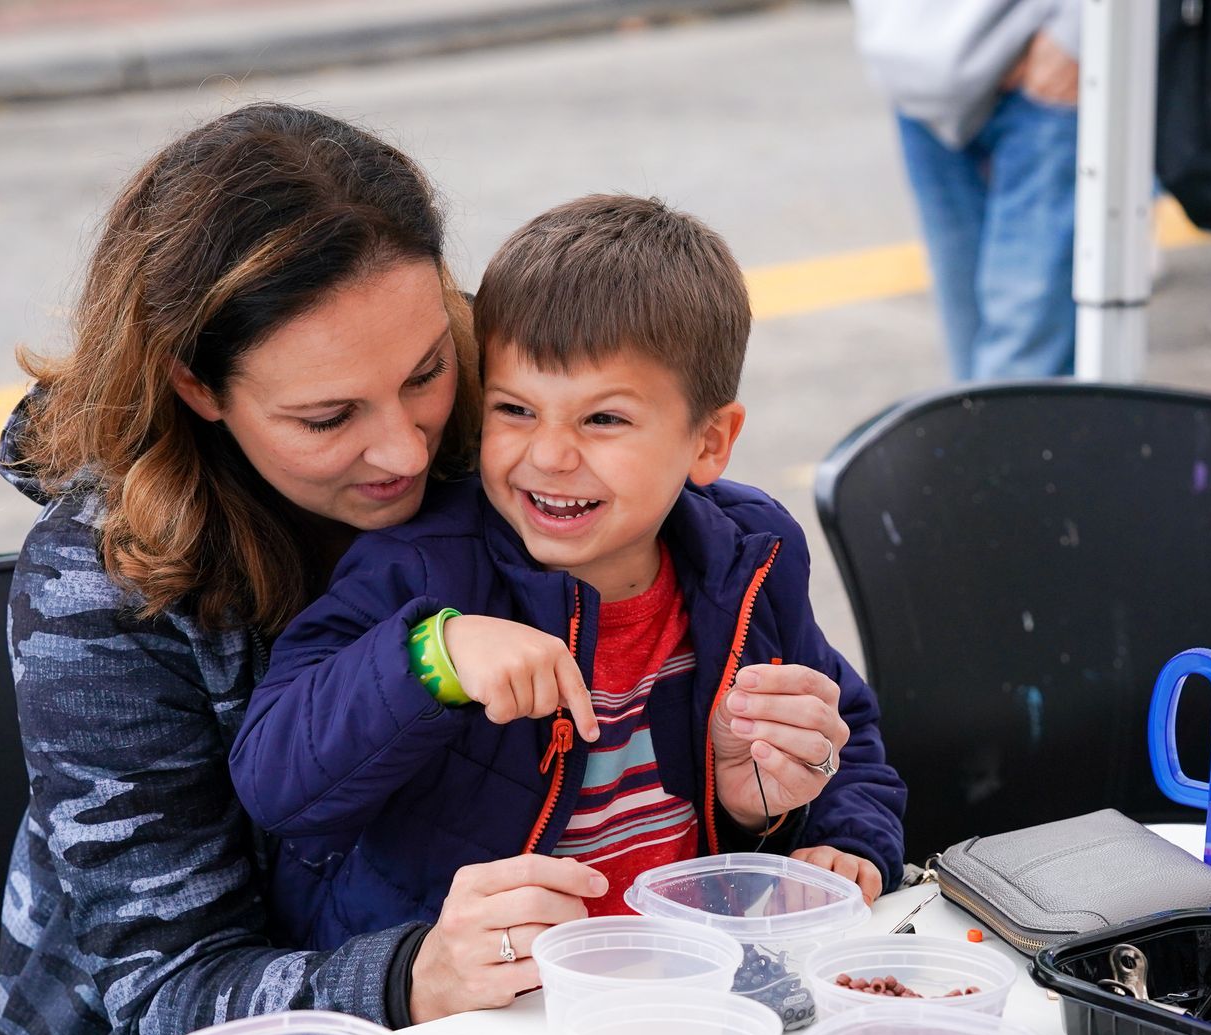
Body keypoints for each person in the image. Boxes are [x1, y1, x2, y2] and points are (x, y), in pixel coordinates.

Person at [0, 103, 613, 1035]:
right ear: (196, 385)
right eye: (328, 417)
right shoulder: (100, 584)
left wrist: (754, 781)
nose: (406, 448)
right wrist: (418, 975)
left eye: (426, 373)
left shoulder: (506, 422)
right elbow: (168, 1001)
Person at [229, 194, 907, 955]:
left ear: (710, 442)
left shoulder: (749, 555)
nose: (548, 455)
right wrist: (432, 659)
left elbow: (842, 731)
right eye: (515, 410)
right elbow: (274, 782)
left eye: (603, 420)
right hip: (480, 1010)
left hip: (683, 984)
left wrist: (825, 833)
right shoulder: (419, 568)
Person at [851, 0, 1081, 381]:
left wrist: (1077, 35)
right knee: (969, 350)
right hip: (916, 78)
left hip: (1042, 78)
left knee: (1024, 359)